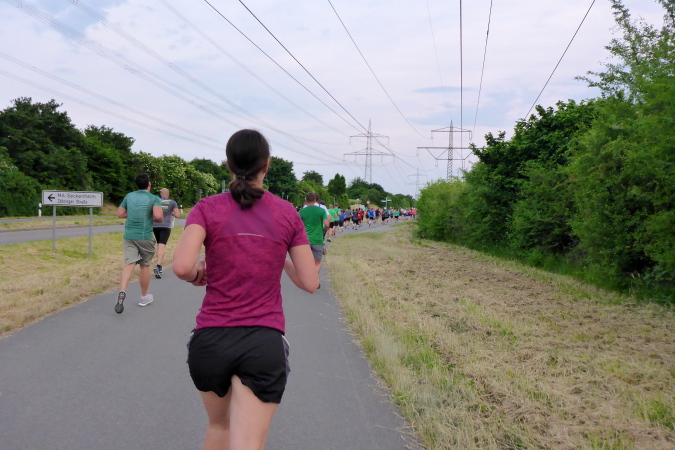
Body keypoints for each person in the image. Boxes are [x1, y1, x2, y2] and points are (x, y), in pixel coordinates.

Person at [172, 129, 319, 450]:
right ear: (266, 166)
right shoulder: (287, 213)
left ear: (228, 165)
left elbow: (182, 267)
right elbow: (310, 282)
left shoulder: (206, 208)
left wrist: (197, 272)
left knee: (219, 426)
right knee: (248, 443)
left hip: (210, 340)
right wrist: (279, 254)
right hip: (262, 341)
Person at [115, 173, 163, 314]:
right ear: (149, 184)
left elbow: (120, 213)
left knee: (129, 264)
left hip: (129, 236)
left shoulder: (129, 196)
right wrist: (155, 218)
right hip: (144, 236)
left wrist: (133, 214)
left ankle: (122, 291)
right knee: (144, 265)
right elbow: (158, 216)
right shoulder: (154, 198)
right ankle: (143, 297)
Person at [152, 188, 181, 279]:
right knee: (162, 245)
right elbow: (178, 215)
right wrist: (172, 213)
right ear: (168, 194)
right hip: (165, 226)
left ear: (161, 194)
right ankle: (158, 266)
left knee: (158, 244)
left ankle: (158, 263)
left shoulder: (155, 201)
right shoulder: (172, 202)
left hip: (155, 225)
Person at [299, 192, 330, 273]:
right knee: (317, 263)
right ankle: (315, 278)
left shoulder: (301, 212)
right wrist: (323, 230)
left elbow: (296, 226)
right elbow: (327, 224)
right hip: (318, 239)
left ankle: (307, 277)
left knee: (306, 261)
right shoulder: (321, 211)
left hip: (305, 240)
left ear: (306, 200)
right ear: (315, 200)